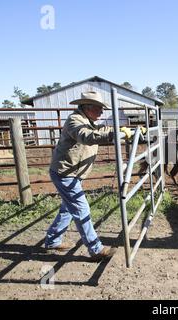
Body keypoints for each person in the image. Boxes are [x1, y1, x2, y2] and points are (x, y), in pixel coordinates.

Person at [45, 91, 132, 262]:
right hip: (65, 173)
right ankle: (96, 249)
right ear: (87, 107)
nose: (101, 112)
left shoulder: (89, 121)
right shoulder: (75, 121)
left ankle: (52, 240)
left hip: (71, 173)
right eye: (99, 108)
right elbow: (86, 136)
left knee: (68, 209)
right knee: (81, 209)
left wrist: (122, 130)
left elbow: (103, 129)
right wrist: (113, 134)